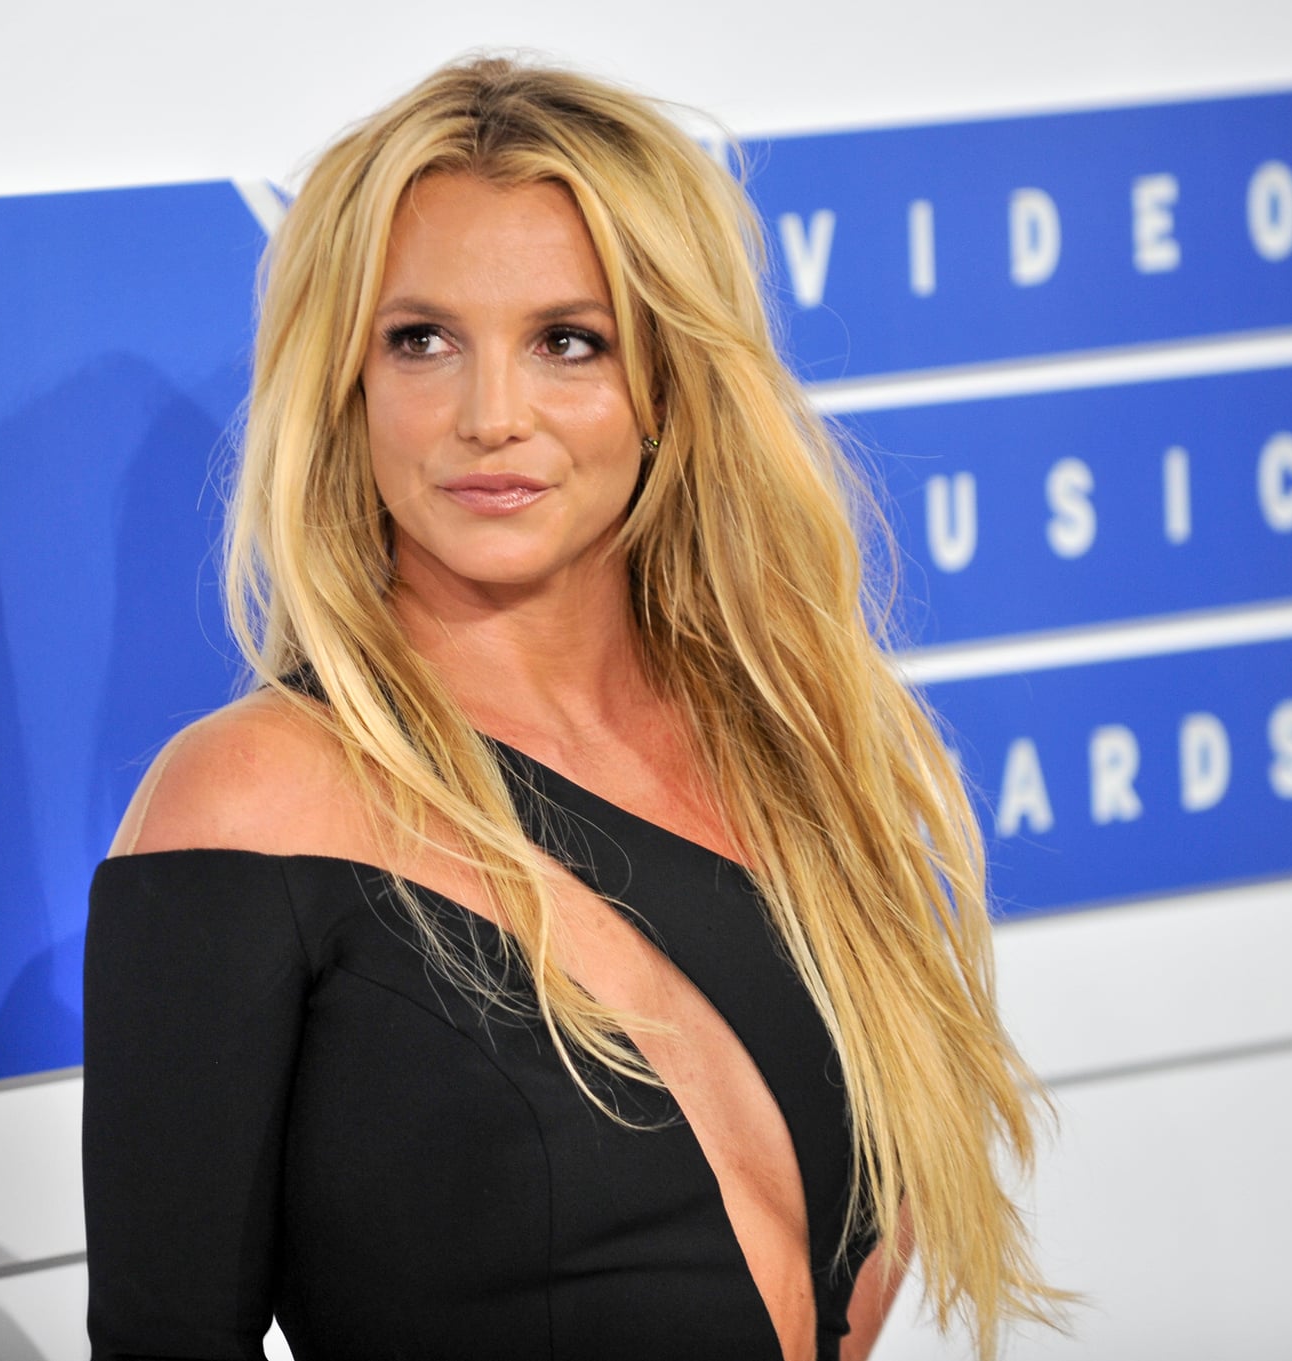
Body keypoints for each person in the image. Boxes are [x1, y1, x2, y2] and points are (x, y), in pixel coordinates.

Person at [82, 55, 1062, 1361]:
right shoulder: (250, 803)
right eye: (420, 340)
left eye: (569, 341)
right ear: (346, 385)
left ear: (668, 382)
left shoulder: (800, 764)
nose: (494, 416)